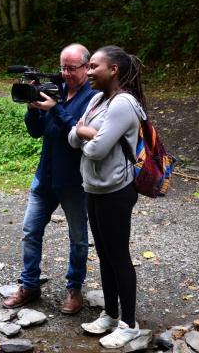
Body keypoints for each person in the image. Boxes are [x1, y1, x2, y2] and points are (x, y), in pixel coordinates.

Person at [3, 44, 97, 314]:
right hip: (44, 177)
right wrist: (33, 107)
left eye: (72, 68)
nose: (65, 73)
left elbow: (81, 133)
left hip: (74, 181)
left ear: (86, 67)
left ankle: (74, 288)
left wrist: (55, 108)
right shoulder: (56, 91)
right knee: (30, 231)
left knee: (78, 238)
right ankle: (29, 285)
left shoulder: (94, 98)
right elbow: (35, 132)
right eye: (62, 67)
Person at [68, 45, 147, 349]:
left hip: (116, 190)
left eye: (93, 67)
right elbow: (72, 135)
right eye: (86, 67)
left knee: (119, 256)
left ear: (113, 70)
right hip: (94, 188)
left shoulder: (124, 103)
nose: (87, 72)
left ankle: (129, 324)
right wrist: (89, 134)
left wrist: (87, 136)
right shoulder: (99, 99)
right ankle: (111, 314)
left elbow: (96, 149)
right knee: (103, 254)